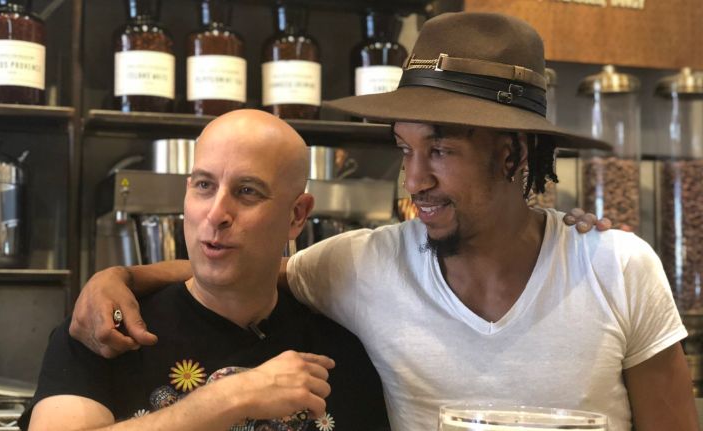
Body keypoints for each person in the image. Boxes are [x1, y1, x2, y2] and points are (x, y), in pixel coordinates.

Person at [69, 12, 698, 431]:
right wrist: (119, 278)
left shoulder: (618, 268)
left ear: (512, 154)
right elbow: (245, 267)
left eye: (440, 150)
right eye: (405, 149)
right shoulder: (365, 265)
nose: (414, 179)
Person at [20, 110, 390, 431]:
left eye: (247, 191)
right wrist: (228, 398)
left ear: (296, 216)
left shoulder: (342, 347)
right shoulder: (105, 329)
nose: (216, 213)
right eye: (204, 186)